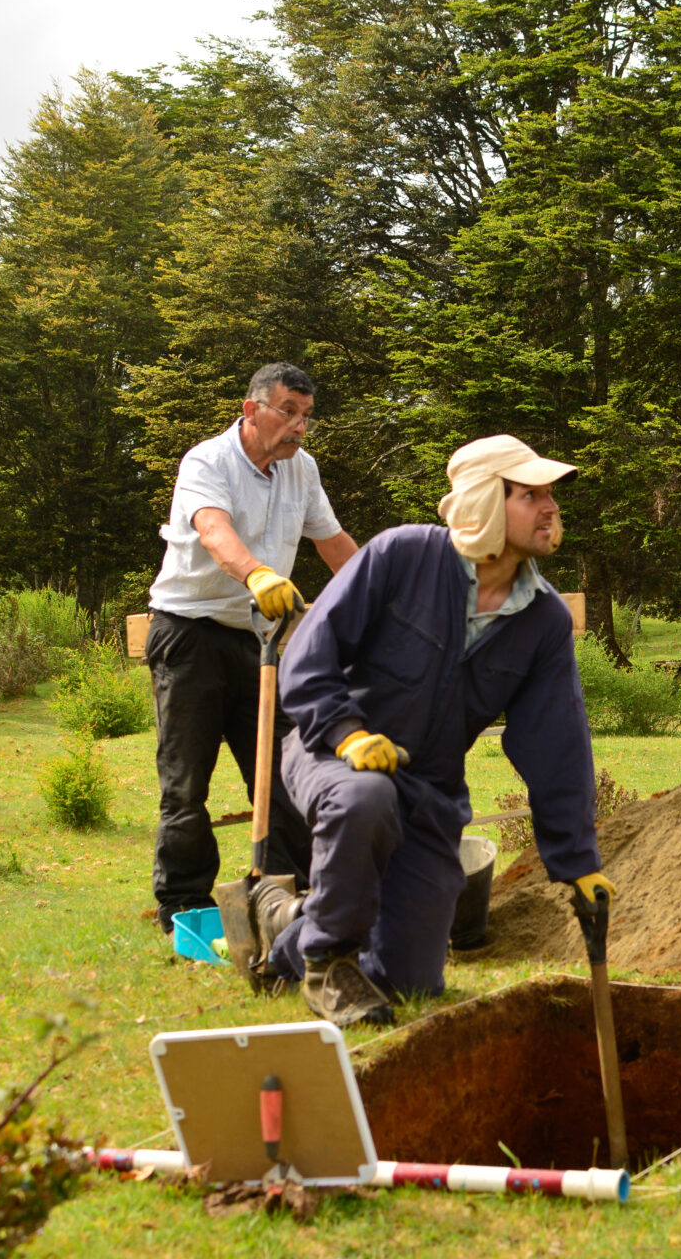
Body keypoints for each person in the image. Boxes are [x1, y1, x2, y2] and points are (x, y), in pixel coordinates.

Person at [220, 435, 612, 1026]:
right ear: (483, 500)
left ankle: (281, 925)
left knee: (409, 982)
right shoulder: (401, 556)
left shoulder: (543, 619)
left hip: (429, 789)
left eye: (550, 495)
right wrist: (347, 732)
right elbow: (307, 653)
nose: (551, 508)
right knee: (364, 796)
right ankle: (325, 961)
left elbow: (556, 744)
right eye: (531, 494)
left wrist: (577, 859)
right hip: (328, 751)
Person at [143, 362, 358, 932]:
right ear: (251, 410)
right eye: (288, 412)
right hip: (187, 634)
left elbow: (332, 542)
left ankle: (292, 891)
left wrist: (379, 594)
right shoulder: (207, 461)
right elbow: (214, 531)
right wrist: (258, 575)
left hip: (257, 640)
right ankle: (185, 905)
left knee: (285, 766)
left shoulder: (301, 471)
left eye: (306, 416)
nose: (299, 427)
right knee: (187, 781)